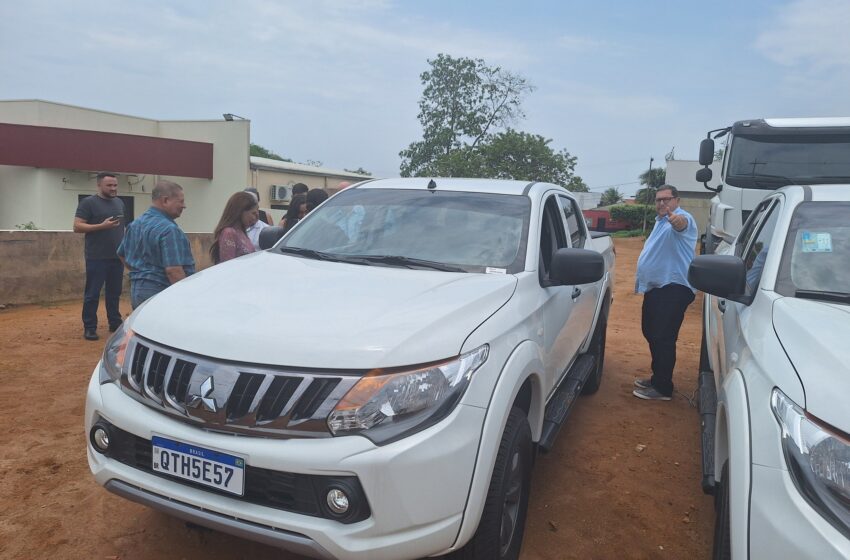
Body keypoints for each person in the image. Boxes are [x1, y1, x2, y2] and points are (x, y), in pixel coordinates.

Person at [632, 185, 698, 401]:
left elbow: (682, 225)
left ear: (676, 200)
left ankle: (663, 388)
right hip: (657, 287)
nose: (662, 203)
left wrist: (676, 220)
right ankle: (657, 376)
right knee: (651, 332)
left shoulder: (681, 218)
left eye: (667, 199)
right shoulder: (660, 222)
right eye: (659, 200)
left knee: (663, 337)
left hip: (674, 287)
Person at [117, 180, 195, 309]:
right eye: (180, 201)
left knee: (143, 328)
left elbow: (121, 254)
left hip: (138, 292)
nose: (184, 206)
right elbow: (173, 270)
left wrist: (141, 272)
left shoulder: (135, 224)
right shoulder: (169, 230)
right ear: (165, 201)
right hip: (161, 294)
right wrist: (187, 299)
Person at [73, 172, 125, 341]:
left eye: (115, 185)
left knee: (114, 292)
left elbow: (122, 228)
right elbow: (77, 226)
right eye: (109, 185)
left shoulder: (119, 202)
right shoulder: (88, 203)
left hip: (116, 256)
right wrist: (101, 226)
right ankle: (89, 327)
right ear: (99, 185)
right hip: (96, 256)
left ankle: (115, 323)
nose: (113, 188)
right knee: (92, 294)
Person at [210, 192, 259, 264]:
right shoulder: (229, 233)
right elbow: (228, 266)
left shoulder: (242, 232)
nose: (256, 218)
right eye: (253, 213)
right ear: (240, 211)